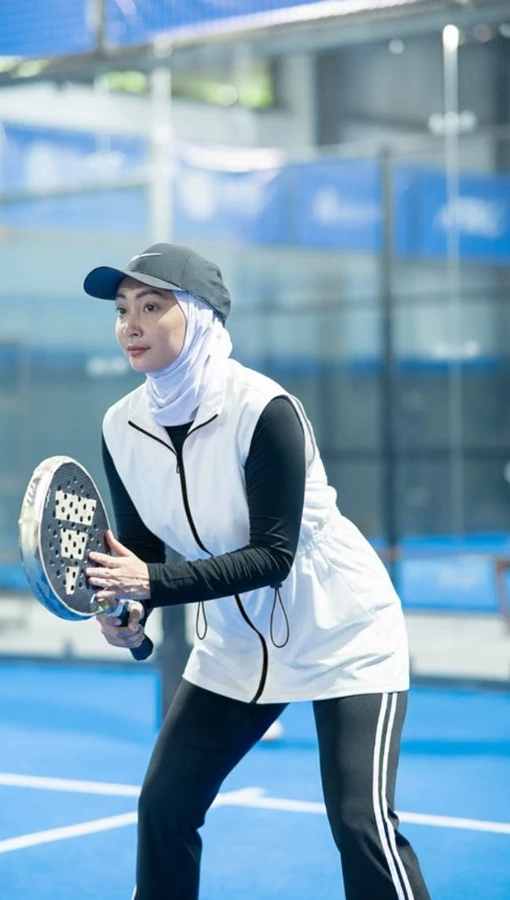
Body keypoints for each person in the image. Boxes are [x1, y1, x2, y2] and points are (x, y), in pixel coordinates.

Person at [82, 242, 431, 900]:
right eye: (123, 308)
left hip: (344, 633)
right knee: (164, 808)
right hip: (234, 647)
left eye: (152, 306)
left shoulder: (264, 410)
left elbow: (274, 556)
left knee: (362, 824)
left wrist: (150, 585)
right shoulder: (119, 426)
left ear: (200, 317)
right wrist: (130, 617)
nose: (129, 323)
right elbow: (142, 555)